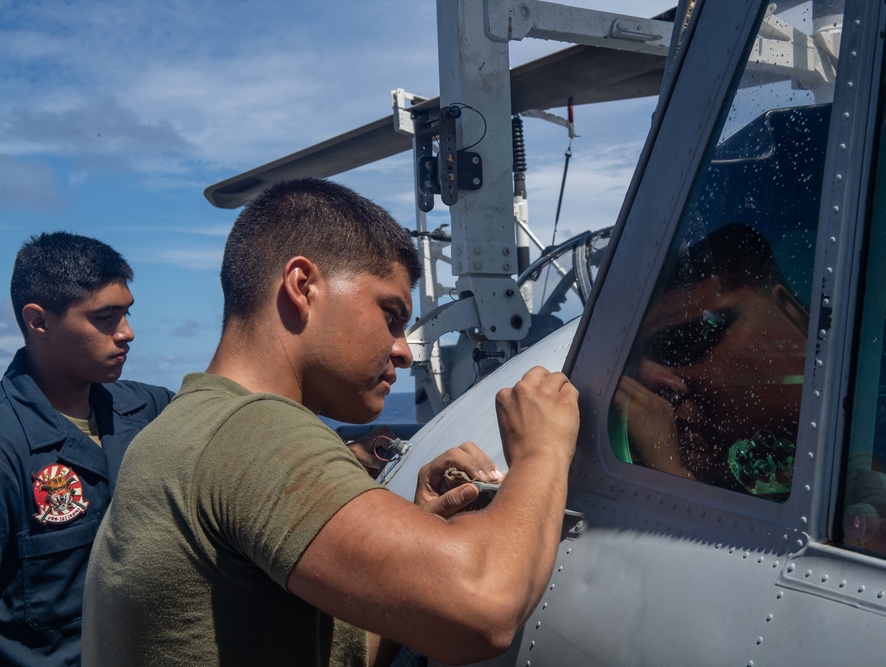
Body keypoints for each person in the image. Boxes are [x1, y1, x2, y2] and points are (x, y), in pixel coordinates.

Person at [82, 178, 580, 666]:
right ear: (302, 286)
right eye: (390, 314)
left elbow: (329, 653)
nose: (405, 351)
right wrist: (542, 452)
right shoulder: (253, 430)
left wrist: (416, 538)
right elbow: (484, 610)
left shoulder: (194, 423)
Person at [0, 232, 173, 667]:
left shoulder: (150, 408)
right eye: (105, 317)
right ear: (38, 321)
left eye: (126, 313)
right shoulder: (8, 448)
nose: (127, 333)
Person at [612, 223, 809, 499]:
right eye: (636, 359)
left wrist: (670, 475)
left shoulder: (870, 442)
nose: (649, 376)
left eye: (701, 332)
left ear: (793, 315)